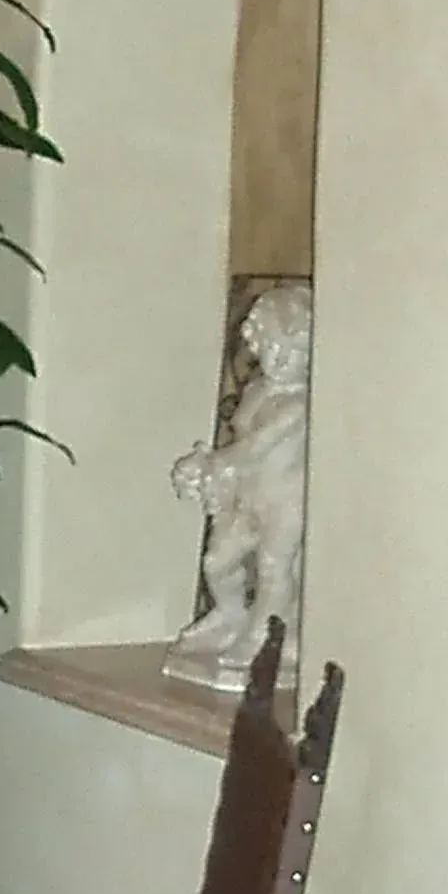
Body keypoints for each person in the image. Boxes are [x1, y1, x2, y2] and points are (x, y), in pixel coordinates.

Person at [164, 280, 311, 691]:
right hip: (248, 497)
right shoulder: (257, 391)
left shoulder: (298, 405)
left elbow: (252, 448)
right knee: (218, 562)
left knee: (272, 568)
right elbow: (239, 443)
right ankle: (230, 616)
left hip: (284, 501)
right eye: (272, 347)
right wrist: (212, 474)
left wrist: (212, 465)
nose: (281, 360)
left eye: (295, 353)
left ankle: (263, 635)